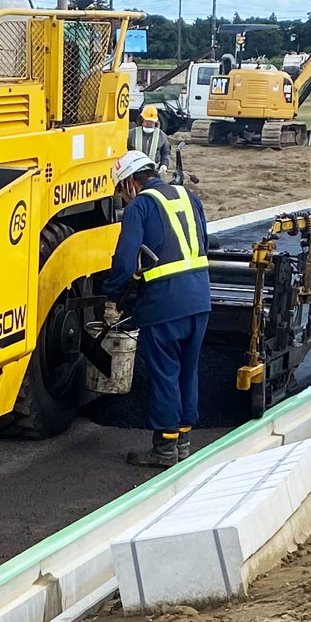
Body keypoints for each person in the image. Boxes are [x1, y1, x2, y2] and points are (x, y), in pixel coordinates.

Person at [104, 150, 210, 467]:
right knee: (187, 371)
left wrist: (112, 294)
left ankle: (165, 448)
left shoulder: (141, 205)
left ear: (131, 183)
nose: (123, 198)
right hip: (200, 298)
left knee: (165, 373)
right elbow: (204, 241)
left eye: (122, 191)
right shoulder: (189, 197)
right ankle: (183, 440)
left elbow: (124, 260)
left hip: (165, 303)